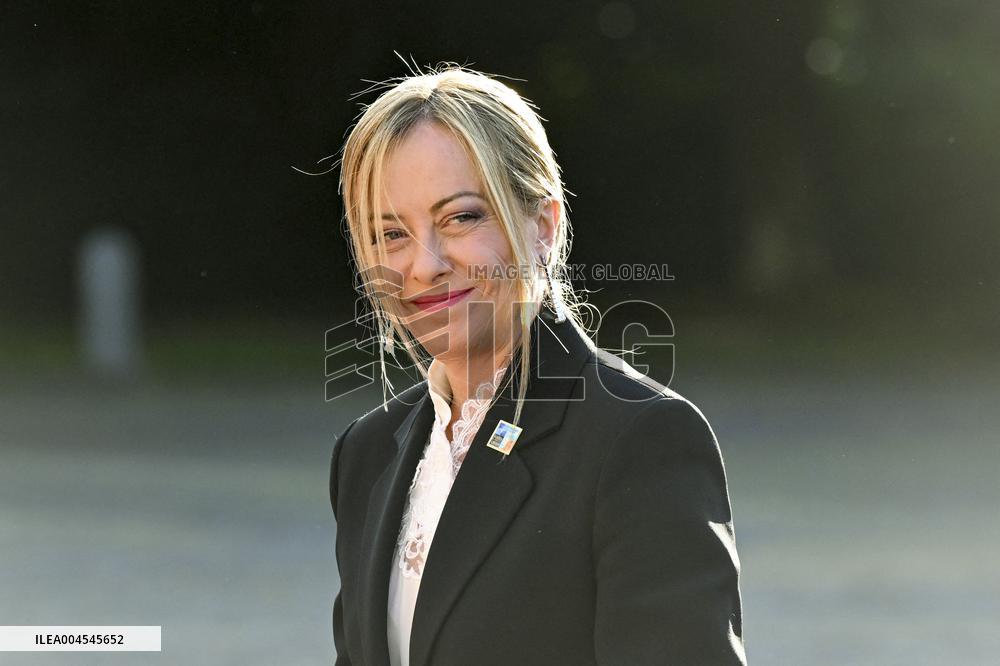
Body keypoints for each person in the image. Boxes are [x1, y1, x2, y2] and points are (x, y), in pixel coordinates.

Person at [328, 64, 746, 666]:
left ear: (543, 226)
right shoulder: (365, 454)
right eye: (390, 234)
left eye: (461, 217)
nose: (423, 266)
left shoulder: (638, 439)